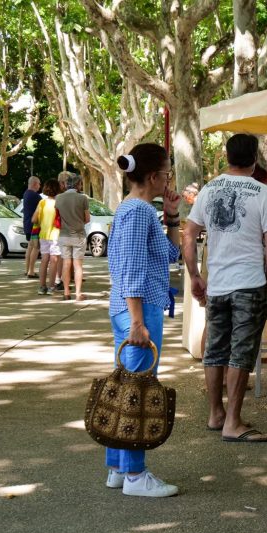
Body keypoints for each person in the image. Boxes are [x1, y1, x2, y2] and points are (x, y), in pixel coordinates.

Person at [183, 133, 267, 443]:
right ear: (254, 159)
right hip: (250, 282)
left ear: (227, 156)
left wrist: (195, 275)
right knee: (241, 351)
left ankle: (216, 414)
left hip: (218, 283)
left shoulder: (209, 190)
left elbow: (188, 236)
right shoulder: (263, 192)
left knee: (215, 349)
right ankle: (234, 422)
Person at [105, 143, 181, 498]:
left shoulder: (140, 210)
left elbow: (169, 253)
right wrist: (138, 322)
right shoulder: (137, 211)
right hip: (137, 310)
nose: (168, 179)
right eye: (166, 173)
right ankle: (135, 475)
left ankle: (119, 467)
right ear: (153, 176)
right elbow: (133, 267)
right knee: (137, 390)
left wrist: (172, 217)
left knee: (126, 385)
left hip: (133, 308)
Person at [55, 174, 90, 301]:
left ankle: (66, 292)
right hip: (78, 235)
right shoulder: (83, 198)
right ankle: (78, 293)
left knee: (66, 263)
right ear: (78, 184)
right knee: (78, 266)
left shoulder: (58, 198)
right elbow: (87, 219)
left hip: (63, 235)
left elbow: (57, 216)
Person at [32, 180, 61, 295]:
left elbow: (34, 219)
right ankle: (51, 287)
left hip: (43, 234)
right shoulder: (58, 202)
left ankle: (41, 286)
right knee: (54, 261)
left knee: (44, 260)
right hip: (56, 234)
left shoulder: (42, 203)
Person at [22, 176, 42, 278]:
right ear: (34, 184)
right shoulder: (35, 196)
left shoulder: (26, 194)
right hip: (34, 226)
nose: (39, 186)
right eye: (39, 184)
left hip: (27, 224)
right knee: (36, 247)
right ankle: (31, 271)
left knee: (30, 247)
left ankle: (27, 269)